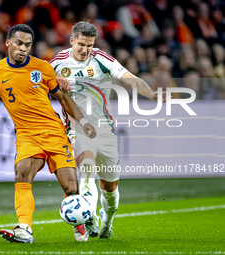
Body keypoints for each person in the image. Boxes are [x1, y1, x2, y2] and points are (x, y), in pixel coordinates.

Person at [0, 24, 96, 243]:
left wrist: (84, 121)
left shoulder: (42, 68)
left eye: (28, 45)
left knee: (70, 187)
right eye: (19, 43)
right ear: (8, 43)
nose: (23, 48)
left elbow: (63, 99)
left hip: (53, 132)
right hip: (26, 135)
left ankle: (80, 221)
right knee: (22, 173)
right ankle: (24, 228)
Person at [50, 21, 165, 241]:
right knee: (86, 170)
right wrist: (53, 80)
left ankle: (107, 219)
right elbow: (36, 83)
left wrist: (150, 94)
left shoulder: (101, 59)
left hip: (105, 130)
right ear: (72, 40)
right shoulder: (56, 63)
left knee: (109, 189)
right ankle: (89, 216)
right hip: (78, 129)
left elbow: (129, 78)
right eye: (81, 44)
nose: (85, 50)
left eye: (90, 45)